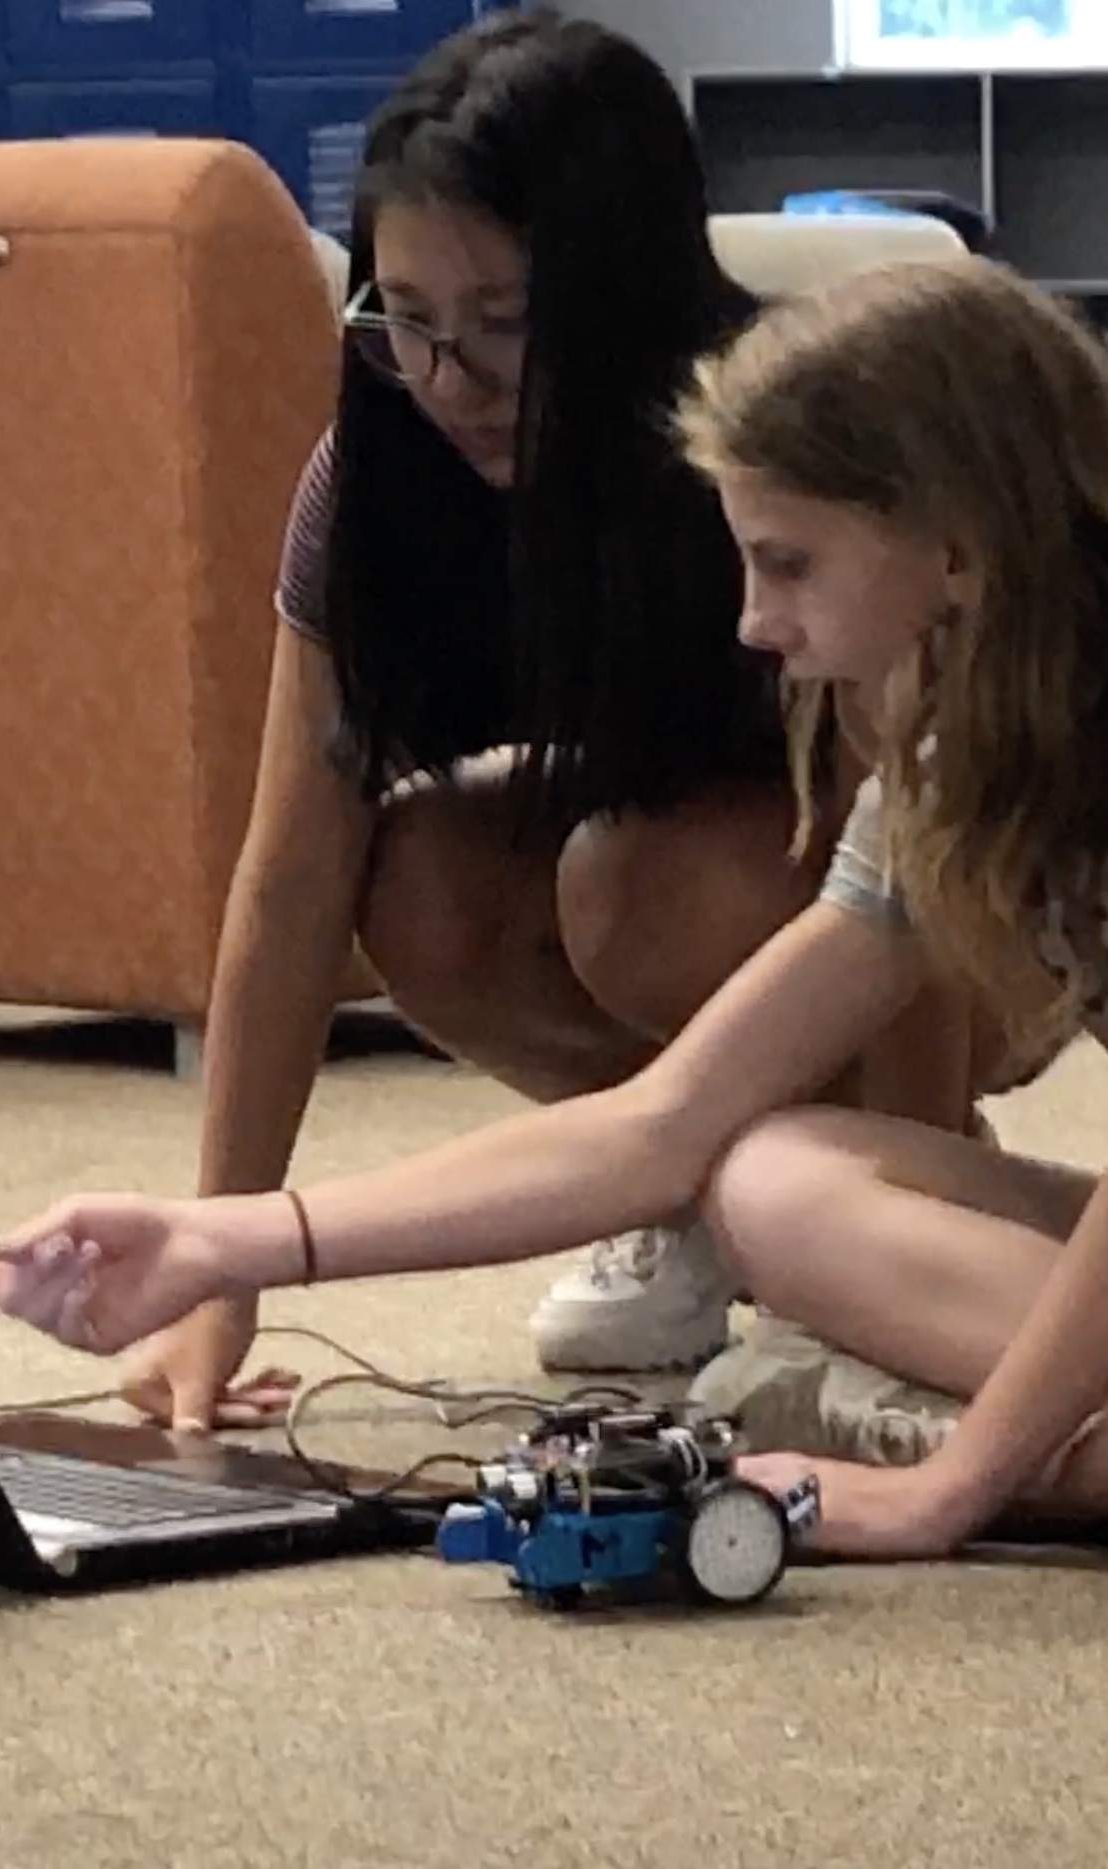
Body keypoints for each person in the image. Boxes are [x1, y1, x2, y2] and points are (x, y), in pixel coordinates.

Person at [0, 253, 1108, 1559]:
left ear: (956, 549)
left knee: (833, 1281)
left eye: (788, 563)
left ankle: (1017, 1447)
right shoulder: (946, 764)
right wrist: (221, 1239)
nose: (754, 622)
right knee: (775, 1175)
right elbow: (658, 1125)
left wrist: (953, 1487)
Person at [117, 8, 988, 1431]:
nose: (447, 378)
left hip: (940, 924)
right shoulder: (375, 476)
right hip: (749, 911)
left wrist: (900, 1237)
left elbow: (919, 885)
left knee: (626, 884)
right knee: (418, 874)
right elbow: (289, 877)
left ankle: (867, 1184)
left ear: (618, 290)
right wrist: (219, 1265)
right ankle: (704, 1198)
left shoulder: (784, 464)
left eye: (505, 322)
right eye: (405, 318)